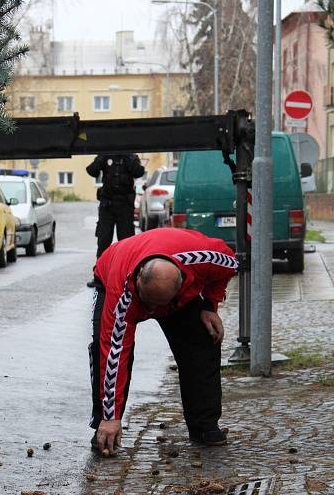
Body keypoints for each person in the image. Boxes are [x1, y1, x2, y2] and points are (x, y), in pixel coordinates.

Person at [88, 227, 239, 453]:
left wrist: (209, 306)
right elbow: (114, 353)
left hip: (178, 297)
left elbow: (227, 269)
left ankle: (204, 425)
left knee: (203, 339)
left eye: (158, 305)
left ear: (183, 280)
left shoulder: (208, 257)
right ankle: (105, 428)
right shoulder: (122, 293)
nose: (153, 311)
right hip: (114, 272)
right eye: (150, 304)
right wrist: (111, 416)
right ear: (139, 280)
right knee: (105, 352)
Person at [85, 152, 145, 287]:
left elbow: (139, 172)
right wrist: (101, 159)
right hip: (108, 205)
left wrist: (130, 160)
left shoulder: (130, 157)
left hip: (124, 206)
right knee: (103, 240)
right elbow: (91, 170)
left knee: (127, 242)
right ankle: (99, 277)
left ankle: (129, 275)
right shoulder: (106, 155)